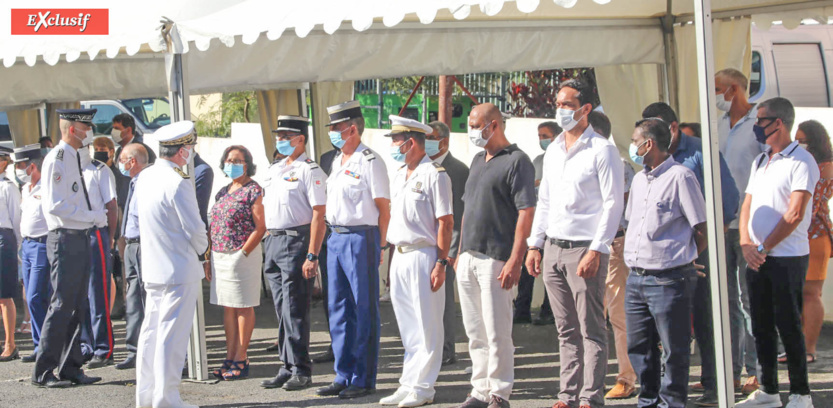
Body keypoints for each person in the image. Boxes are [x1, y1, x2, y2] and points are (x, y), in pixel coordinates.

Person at [525, 80, 624, 408]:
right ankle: (567, 395)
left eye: (567, 104)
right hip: (553, 247)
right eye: (558, 104)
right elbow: (545, 201)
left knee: (591, 329)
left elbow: (613, 204)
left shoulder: (602, 150)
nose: (561, 110)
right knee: (565, 330)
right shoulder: (554, 150)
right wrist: (535, 244)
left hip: (585, 249)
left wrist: (597, 249)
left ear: (585, 109)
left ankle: (590, 397)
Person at [640, 102, 742, 403]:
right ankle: (672, 388)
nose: (648, 140)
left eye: (655, 132)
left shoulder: (700, 152)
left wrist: (702, 246)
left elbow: (727, 200)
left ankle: (717, 384)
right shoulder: (650, 157)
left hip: (701, 248)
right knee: (668, 322)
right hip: (664, 256)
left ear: (672, 128)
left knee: (709, 314)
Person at [736, 98, 817, 408]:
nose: (756, 126)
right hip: (757, 257)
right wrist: (746, 243)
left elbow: (794, 213)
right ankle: (768, 390)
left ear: (778, 123)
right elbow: (747, 204)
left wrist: (762, 247)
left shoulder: (802, 161)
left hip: (787, 258)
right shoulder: (761, 160)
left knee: (789, 325)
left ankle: (801, 394)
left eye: (761, 120)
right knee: (760, 326)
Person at [455, 103, 536, 408]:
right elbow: (468, 208)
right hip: (469, 255)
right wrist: (460, 252)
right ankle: (480, 389)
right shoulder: (478, 159)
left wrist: (515, 259)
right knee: (475, 331)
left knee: (497, 331)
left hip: (496, 257)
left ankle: (499, 393)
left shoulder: (517, 161)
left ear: (494, 125)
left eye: (476, 126)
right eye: (470, 125)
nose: (472, 131)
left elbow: (526, 212)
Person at [625, 118, 708, 408]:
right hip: (636, 278)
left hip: (669, 279)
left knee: (674, 350)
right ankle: (647, 400)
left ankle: (672, 403)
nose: (632, 146)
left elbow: (701, 227)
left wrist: (685, 258)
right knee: (639, 348)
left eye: (635, 141)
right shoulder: (639, 179)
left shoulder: (681, 177)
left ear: (649, 144)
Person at [316, 100, 390, 399]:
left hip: (361, 238)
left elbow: (384, 209)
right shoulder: (337, 160)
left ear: (353, 129)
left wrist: (381, 244)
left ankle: (363, 377)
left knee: (363, 309)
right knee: (338, 309)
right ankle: (343, 373)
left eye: (337, 127)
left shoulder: (370, 161)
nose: (332, 132)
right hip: (335, 237)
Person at [379, 116, 453, 408]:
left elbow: (445, 222)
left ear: (410, 142)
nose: (393, 146)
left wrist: (441, 262)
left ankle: (424, 387)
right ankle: (408, 383)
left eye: (396, 141)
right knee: (407, 324)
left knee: (427, 324)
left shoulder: (435, 174)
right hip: (401, 253)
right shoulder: (400, 174)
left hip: (424, 254)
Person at [135, 120, 209, 408]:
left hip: (154, 267)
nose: (190, 152)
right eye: (190, 147)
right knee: (172, 337)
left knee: (151, 334)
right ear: (182, 150)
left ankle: (147, 396)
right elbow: (195, 228)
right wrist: (204, 251)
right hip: (179, 268)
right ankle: (166, 398)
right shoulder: (178, 181)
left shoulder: (146, 176)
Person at [33, 108, 107, 388]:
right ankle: (43, 370)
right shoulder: (58, 158)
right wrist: (93, 216)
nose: (89, 132)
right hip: (64, 237)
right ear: (72, 129)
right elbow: (56, 205)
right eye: (85, 127)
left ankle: (71, 367)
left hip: (79, 236)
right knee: (62, 304)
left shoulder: (76, 156)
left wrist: (90, 219)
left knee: (78, 305)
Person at [259, 115, 326, 391]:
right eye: (279, 136)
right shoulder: (275, 169)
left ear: (301, 139)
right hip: (274, 241)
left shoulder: (310, 170)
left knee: (295, 308)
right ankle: (286, 365)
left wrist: (312, 254)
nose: (280, 141)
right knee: (281, 309)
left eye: (286, 137)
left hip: (296, 241)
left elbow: (319, 214)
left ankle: (301, 369)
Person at [717, 68, 765, 394]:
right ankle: (731, 371)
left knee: (751, 300)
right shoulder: (719, 124)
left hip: (749, 227)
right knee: (727, 302)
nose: (715, 95)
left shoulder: (759, 123)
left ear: (734, 89)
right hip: (721, 224)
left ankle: (758, 370)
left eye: (718, 89)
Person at [586, 110, 637, 400]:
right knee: (588, 317)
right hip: (582, 247)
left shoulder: (618, 164)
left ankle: (626, 377)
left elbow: (619, 205)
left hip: (612, 244)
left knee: (617, 314)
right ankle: (590, 379)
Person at [208, 145, 266, 381]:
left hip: (242, 255)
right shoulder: (222, 191)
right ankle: (229, 356)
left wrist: (243, 253)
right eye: (229, 160)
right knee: (228, 307)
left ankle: (241, 357)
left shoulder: (253, 190)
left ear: (247, 164)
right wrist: (209, 256)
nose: (232, 164)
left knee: (243, 306)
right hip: (220, 255)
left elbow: (260, 227)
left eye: (238, 160)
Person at [427, 120, 469, 366]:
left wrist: (452, 251)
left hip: (446, 248)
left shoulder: (457, 170)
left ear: (443, 141)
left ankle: (446, 349)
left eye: (430, 138)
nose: (425, 143)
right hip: (426, 245)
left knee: (443, 301)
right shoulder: (423, 166)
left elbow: (459, 214)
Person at [791, 120, 833, 365]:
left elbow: (812, 205)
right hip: (802, 235)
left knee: (811, 293)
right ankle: (799, 347)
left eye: (802, 140)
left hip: (815, 236)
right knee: (799, 294)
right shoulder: (808, 163)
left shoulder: (824, 167)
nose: (798, 144)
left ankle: (808, 348)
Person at [78, 134, 118, 369]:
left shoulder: (100, 170)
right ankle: (86, 344)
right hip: (75, 234)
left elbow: (111, 206)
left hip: (96, 233)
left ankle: (103, 348)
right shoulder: (70, 170)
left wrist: (110, 237)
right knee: (80, 294)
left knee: (97, 293)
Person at [514, 121, 558, 326]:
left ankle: (548, 310)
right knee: (527, 267)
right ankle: (522, 308)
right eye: (540, 136)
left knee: (550, 269)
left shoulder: (564, 159)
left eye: (545, 136)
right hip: (536, 221)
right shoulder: (538, 160)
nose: (542, 140)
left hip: (555, 223)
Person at [114, 143, 150, 370]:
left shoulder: (148, 182)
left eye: (122, 160)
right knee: (134, 299)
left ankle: (149, 351)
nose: (120, 165)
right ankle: (134, 350)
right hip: (131, 245)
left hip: (145, 246)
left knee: (149, 300)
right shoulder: (134, 182)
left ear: (132, 161)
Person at [13, 145, 49, 364]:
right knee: (30, 297)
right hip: (27, 245)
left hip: (42, 245)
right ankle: (39, 345)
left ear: (32, 166)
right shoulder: (26, 188)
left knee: (36, 296)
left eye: (20, 165)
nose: (18, 170)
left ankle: (47, 344)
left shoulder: (47, 187)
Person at [308, 146, 339, 364]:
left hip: (351, 235)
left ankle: (354, 346)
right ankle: (335, 345)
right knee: (331, 295)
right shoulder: (326, 158)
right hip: (327, 236)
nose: (333, 132)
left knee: (350, 297)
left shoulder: (366, 159)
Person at [0, 147, 20, 362]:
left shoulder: (8, 187)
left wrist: (17, 246)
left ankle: (10, 344)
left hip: (3, 238)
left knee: (4, 295)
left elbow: (16, 220)